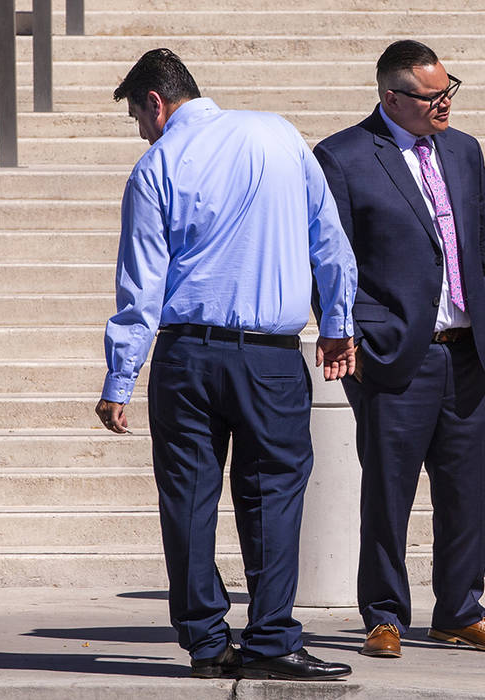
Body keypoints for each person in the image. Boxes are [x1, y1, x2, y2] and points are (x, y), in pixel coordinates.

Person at [94, 48, 356, 681]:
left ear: (156, 103)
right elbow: (330, 239)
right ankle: (271, 639)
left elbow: (141, 287)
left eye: (137, 116)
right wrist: (339, 325)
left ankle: (206, 642)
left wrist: (120, 377)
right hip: (270, 357)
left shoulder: (155, 165)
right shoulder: (279, 134)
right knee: (274, 495)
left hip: (186, 354)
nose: (140, 131)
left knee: (187, 496)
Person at [313, 40, 485, 659]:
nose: (446, 103)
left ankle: (460, 609)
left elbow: (481, 246)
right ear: (392, 97)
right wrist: (356, 330)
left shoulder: (463, 151)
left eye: (449, 89)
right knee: (389, 489)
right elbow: (332, 259)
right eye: (432, 95)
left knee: (466, 491)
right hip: (396, 355)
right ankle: (383, 614)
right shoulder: (345, 157)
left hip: (467, 351)